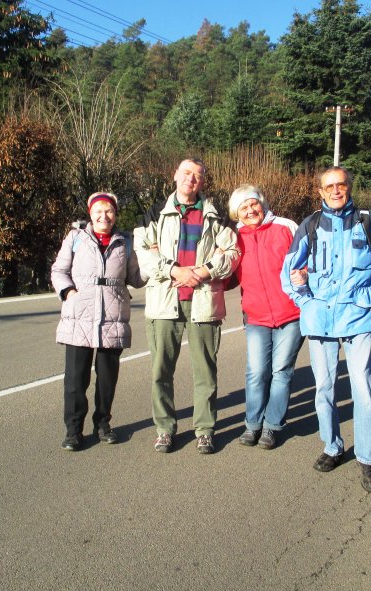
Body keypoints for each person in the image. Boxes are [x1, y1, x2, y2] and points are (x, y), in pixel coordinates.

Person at [281, 167, 371, 492]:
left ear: (349, 187)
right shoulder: (310, 225)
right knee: (323, 388)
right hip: (320, 318)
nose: (336, 190)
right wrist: (304, 298)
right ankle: (332, 446)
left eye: (341, 184)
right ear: (321, 192)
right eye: (329, 186)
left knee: (363, 390)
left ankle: (367, 459)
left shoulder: (369, 222)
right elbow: (289, 270)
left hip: (358, 315)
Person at [134, 158, 240, 454]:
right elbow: (142, 252)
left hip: (203, 302)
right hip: (164, 303)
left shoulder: (215, 216)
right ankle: (164, 429)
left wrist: (204, 271)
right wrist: (174, 271)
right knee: (160, 371)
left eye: (197, 175)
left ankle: (204, 429)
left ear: (203, 182)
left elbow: (233, 252)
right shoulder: (154, 213)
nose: (191, 179)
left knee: (205, 371)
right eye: (186, 173)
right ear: (175, 176)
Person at [51, 192, 145, 451]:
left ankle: (102, 424)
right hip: (79, 316)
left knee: (106, 378)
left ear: (115, 214)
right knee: (75, 380)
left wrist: (153, 261)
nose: (104, 216)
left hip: (112, 317)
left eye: (109, 211)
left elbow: (136, 277)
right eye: (99, 211)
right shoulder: (76, 238)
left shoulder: (125, 242)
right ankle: (73, 431)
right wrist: (68, 292)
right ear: (90, 213)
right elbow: (59, 270)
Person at [227, 185, 304, 450]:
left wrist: (304, 275)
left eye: (253, 204)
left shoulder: (285, 227)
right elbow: (227, 274)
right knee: (257, 372)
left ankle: (272, 426)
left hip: (291, 313)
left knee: (281, 371)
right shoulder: (234, 237)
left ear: (262, 203)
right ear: (236, 213)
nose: (250, 211)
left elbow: (306, 257)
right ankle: (252, 424)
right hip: (256, 315)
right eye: (243, 208)